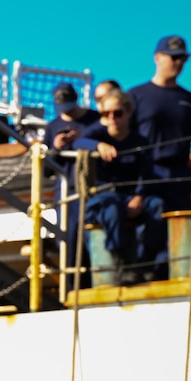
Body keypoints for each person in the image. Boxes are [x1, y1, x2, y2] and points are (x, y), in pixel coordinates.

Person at [74, 91, 166, 281]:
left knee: (157, 205)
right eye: (105, 114)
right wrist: (98, 146)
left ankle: (146, 263)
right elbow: (78, 142)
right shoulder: (97, 134)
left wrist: (139, 197)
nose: (111, 118)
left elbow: (147, 173)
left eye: (117, 113)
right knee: (111, 209)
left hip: (132, 195)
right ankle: (121, 265)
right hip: (105, 196)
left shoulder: (140, 142)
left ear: (129, 113)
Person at [128, 36, 191, 214]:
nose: (179, 63)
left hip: (180, 176)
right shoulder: (136, 96)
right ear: (157, 58)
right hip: (145, 174)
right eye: (174, 57)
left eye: (183, 58)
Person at [44, 82, 98, 151]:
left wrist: (82, 138)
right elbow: (47, 157)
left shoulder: (96, 118)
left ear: (77, 96)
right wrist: (56, 146)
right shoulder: (52, 127)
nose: (67, 112)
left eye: (70, 108)